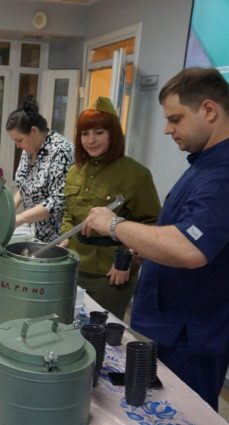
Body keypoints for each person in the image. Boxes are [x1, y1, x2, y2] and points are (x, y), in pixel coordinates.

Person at [82, 68, 229, 411]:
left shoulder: (225, 175)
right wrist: (147, 247)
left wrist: (115, 225)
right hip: (178, 324)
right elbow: (181, 231)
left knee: (187, 418)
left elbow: (190, 248)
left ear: (209, 110)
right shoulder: (205, 164)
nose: (168, 129)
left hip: (195, 331)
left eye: (175, 119)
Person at [60, 97, 161, 320]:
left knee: (100, 335)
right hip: (74, 266)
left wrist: (125, 262)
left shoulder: (136, 174)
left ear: (113, 134)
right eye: (85, 134)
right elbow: (69, 211)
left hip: (111, 273)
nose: (91, 140)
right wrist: (65, 237)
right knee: (68, 324)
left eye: (99, 132)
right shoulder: (75, 171)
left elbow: (151, 224)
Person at [8, 98, 74, 242]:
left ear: (33, 131)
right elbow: (26, 185)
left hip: (55, 237)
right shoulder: (29, 149)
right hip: (33, 231)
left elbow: (58, 200)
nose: (18, 146)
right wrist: (9, 210)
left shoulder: (61, 151)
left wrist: (20, 218)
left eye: (19, 140)